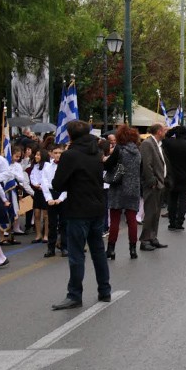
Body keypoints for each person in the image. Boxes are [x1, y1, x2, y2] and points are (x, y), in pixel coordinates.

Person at [51, 120, 111, 310]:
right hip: (97, 207)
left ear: (70, 136)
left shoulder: (71, 155)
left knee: (76, 254)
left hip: (78, 209)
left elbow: (57, 183)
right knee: (98, 251)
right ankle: (105, 290)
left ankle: (74, 294)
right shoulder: (97, 152)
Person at [104, 125, 142, 260]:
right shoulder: (137, 151)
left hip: (118, 187)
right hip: (133, 188)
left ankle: (111, 249)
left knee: (115, 220)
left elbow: (107, 165)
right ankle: (133, 250)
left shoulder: (119, 150)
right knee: (132, 219)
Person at [138, 123, 169, 252]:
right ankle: (144, 240)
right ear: (159, 131)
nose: (166, 132)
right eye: (164, 130)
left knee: (156, 213)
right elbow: (147, 164)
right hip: (153, 184)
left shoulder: (157, 144)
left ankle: (152, 237)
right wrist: (153, 181)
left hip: (159, 183)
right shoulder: (147, 144)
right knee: (150, 212)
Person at [163, 126, 186, 229]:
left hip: (172, 175)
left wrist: (172, 130)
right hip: (185, 176)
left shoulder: (169, 143)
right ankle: (180, 221)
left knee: (172, 199)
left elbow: (166, 137)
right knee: (183, 200)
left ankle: (172, 221)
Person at [43, 144, 68, 258]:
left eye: (60, 153)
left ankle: (64, 247)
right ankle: (51, 248)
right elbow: (44, 183)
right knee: (52, 224)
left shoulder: (66, 166)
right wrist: (49, 198)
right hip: (51, 194)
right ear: (52, 153)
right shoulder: (47, 166)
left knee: (64, 223)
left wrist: (61, 199)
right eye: (56, 153)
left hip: (63, 194)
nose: (58, 155)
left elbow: (68, 184)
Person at [28, 149, 49, 244]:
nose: (36, 156)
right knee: (36, 213)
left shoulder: (47, 166)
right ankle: (38, 234)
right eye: (36, 155)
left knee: (46, 215)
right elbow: (32, 177)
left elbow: (48, 178)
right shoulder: (35, 167)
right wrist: (35, 184)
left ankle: (46, 235)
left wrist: (42, 185)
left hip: (45, 191)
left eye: (38, 155)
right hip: (37, 192)